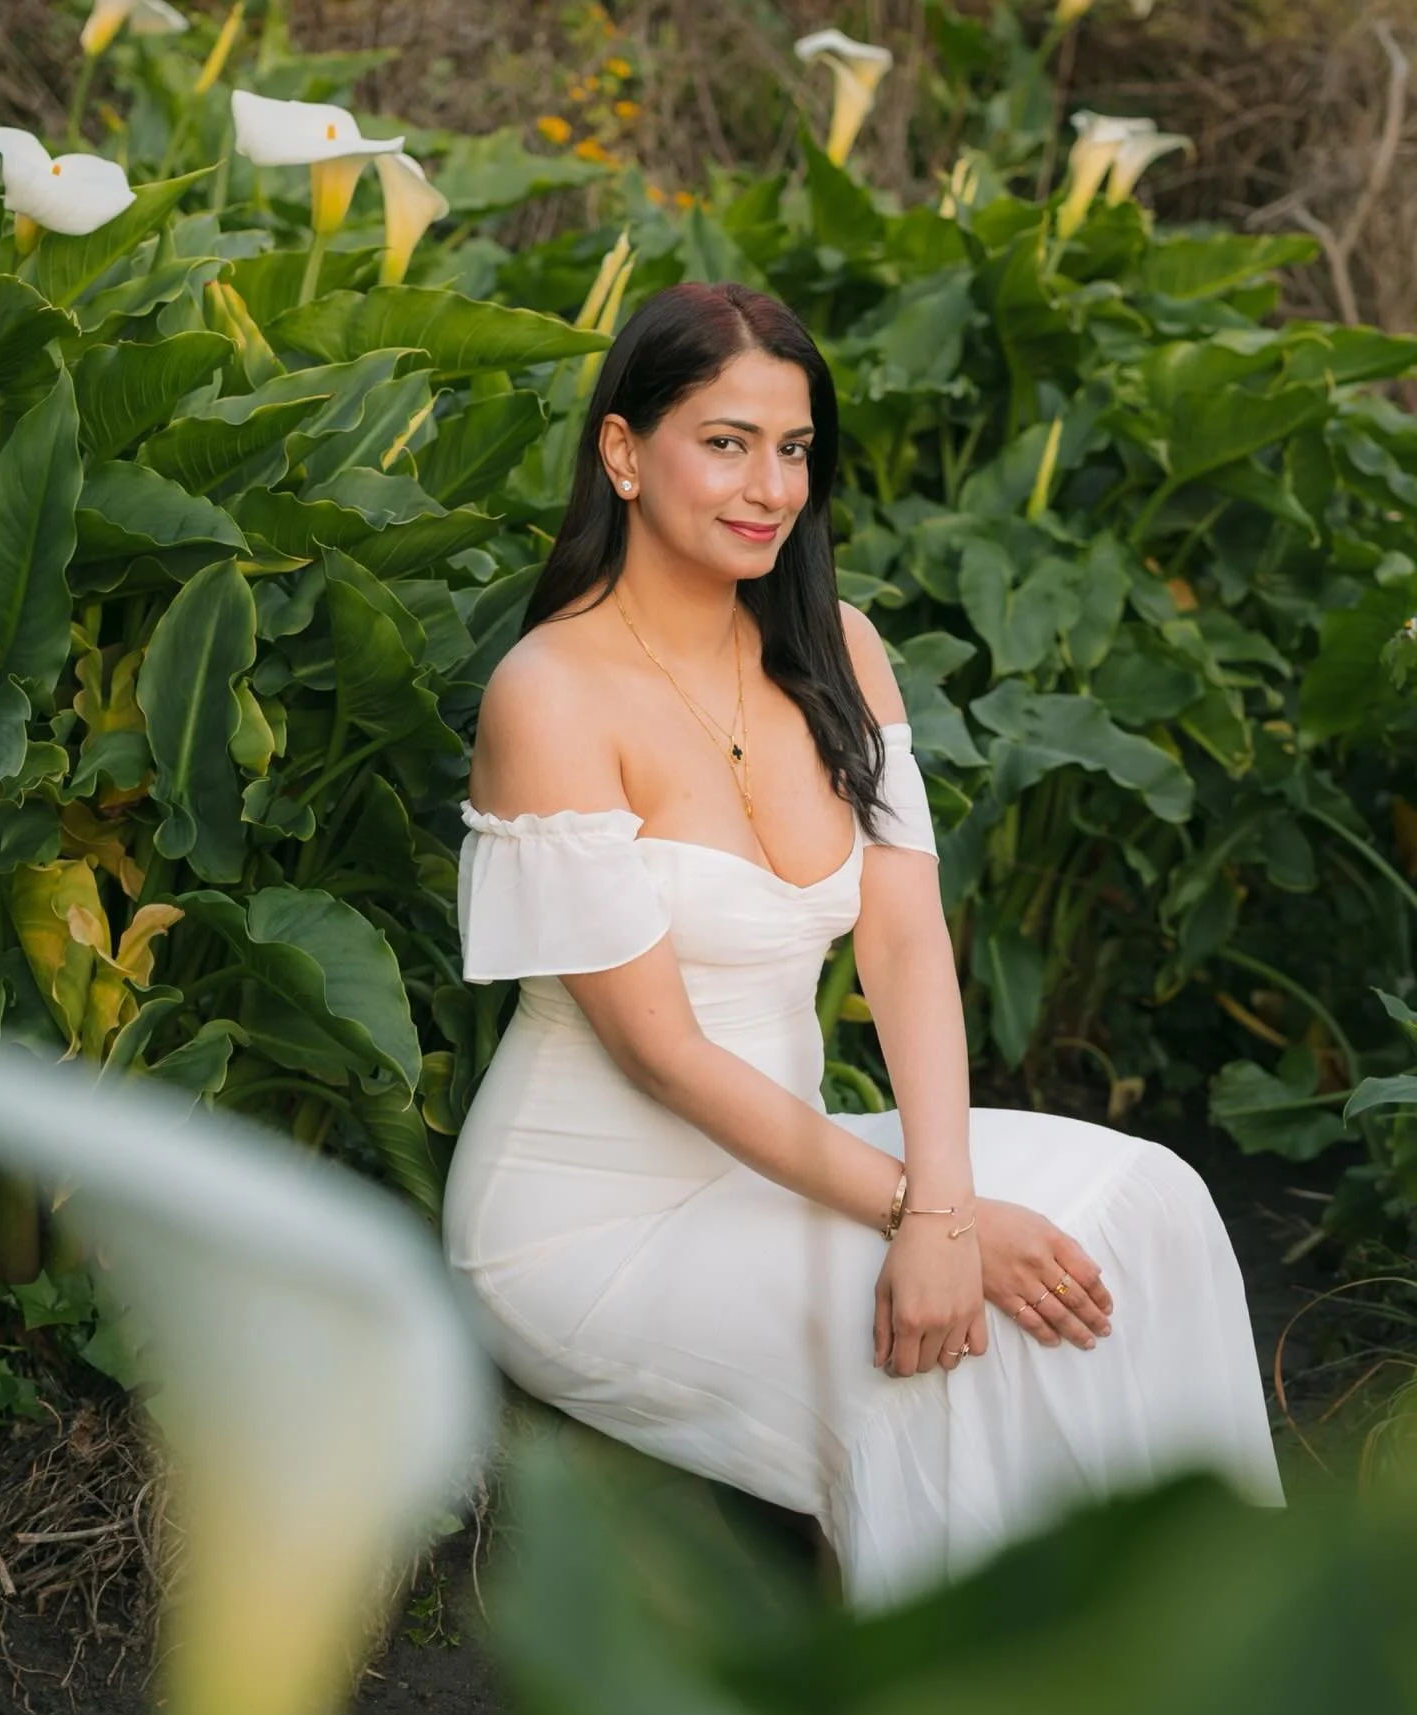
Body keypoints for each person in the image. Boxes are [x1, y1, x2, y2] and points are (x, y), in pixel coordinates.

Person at [441, 280, 1286, 1612]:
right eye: (724, 441)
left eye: (792, 448)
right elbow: (660, 1054)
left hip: (779, 1167)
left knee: (1149, 1204)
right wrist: (921, 1219)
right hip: (590, 1224)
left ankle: (1177, 1656)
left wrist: (942, 1203)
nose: (767, 484)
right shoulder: (551, 695)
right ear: (622, 451)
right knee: (938, 1356)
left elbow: (901, 940)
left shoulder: (836, 647)